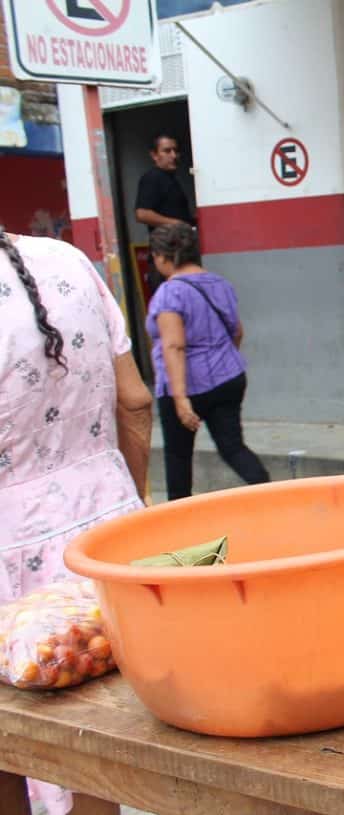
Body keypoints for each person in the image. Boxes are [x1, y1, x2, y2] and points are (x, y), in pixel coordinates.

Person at [0, 229, 152, 815]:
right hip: (107, 528)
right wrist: (126, 519)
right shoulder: (67, 259)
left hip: (14, 547)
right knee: (99, 745)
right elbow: (134, 399)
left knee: (16, 748)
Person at [146, 223, 269, 500]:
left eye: (155, 257)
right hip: (229, 377)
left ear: (165, 257)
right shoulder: (220, 284)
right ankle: (270, 492)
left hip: (187, 385)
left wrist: (180, 398)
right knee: (233, 448)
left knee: (178, 457)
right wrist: (222, 361)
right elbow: (236, 332)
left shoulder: (170, 293)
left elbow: (174, 345)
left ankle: (179, 521)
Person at [134, 133, 195, 233]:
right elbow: (142, 214)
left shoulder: (170, 178)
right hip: (166, 244)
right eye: (167, 151)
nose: (174, 155)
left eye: (176, 151)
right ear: (154, 155)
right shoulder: (152, 177)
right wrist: (178, 224)